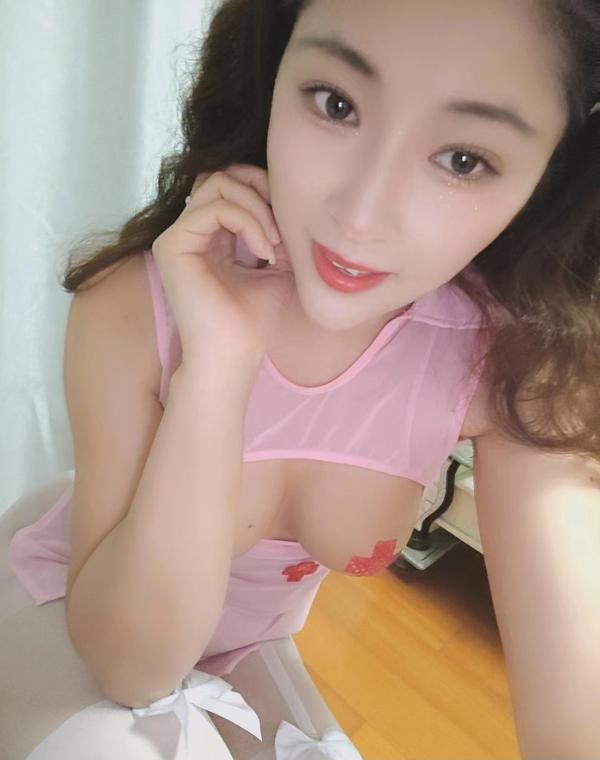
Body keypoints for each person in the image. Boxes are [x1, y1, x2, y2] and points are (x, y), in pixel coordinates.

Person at [1, 0, 599, 757]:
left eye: (463, 159)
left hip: (240, 647)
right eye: (336, 103)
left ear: (555, 175)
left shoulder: (507, 362)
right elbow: (133, 669)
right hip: (80, 610)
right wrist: (217, 369)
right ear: (274, 69)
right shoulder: (133, 306)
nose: (361, 215)